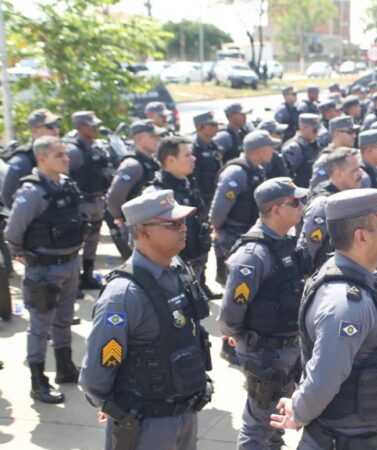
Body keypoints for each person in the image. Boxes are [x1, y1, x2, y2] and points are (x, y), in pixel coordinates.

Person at [270, 189, 377, 450]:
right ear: (361, 236)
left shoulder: (363, 278)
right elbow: (324, 377)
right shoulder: (346, 305)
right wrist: (298, 413)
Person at [79, 190, 213, 450]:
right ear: (143, 231)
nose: (183, 228)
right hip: (148, 424)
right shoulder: (124, 294)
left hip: (186, 414)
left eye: (183, 222)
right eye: (173, 224)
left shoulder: (178, 271)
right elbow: (95, 375)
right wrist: (111, 405)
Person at [219, 177, 309, 450]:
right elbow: (230, 313)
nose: (302, 206)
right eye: (295, 202)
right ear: (276, 210)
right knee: (258, 427)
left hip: (285, 349)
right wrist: (238, 337)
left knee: (274, 419)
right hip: (265, 353)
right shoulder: (253, 254)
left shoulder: (284, 242)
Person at [5, 136, 85, 404]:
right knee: (40, 326)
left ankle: (65, 367)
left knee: (63, 320)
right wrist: (20, 252)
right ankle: (38, 382)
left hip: (70, 264)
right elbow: (13, 231)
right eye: (59, 155)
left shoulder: (65, 183)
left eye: (65, 154)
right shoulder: (33, 191)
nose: (66, 159)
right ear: (42, 159)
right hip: (44, 270)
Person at [144, 136, 218, 299]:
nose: (194, 158)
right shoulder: (156, 194)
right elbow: (142, 239)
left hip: (194, 266)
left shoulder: (187, 184)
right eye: (187, 155)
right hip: (171, 271)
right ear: (171, 160)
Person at [209, 131, 272, 283]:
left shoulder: (256, 169)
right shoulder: (236, 172)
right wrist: (216, 227)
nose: (273, 151)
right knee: (237, 282)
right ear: (259, 151)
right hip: (234, 236)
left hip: (249, 233)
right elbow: (219, 209)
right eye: (270, 147)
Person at [66, 111, 115, 290]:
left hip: (97, 201)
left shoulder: (95, 147)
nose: (96, 128)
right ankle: (73, 282)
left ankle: (87, 276)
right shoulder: (73, 151)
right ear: (80, 127)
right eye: (91, 125)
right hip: (81, 203)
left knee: (93, 240)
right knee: (76, 242)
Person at [106, 120, 165, 259]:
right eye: (153, 136)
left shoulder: (152, 161)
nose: (158, 139)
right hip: (138, 228)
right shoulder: (132, 165)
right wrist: (121, 217)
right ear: (138, 138)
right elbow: (113, 199)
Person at [298, 148, 364, 271]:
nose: (360, 174)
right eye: (354, 170)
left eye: (359, 168)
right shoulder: (323, 204)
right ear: (339, 174)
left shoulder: (350, 196)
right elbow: (308, 251)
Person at [1, 109, 61, 208]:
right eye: (50, 126)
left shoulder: (61, 153)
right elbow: (8, 196)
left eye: (56, 124)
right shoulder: (23, 161)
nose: (56, 130)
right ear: (35, 131)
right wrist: (26, 210)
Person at [308, 116, 358, 190]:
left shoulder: (353, 154)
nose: (354, 135)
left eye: (355, 132)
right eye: (350, 132)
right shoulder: (325, 161)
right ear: (336, 133)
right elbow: (317, 189)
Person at [191, 112, 223, 208]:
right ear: (200, 127)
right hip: (200, 197)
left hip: (213, 193)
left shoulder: (213, 145)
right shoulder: (193, 147)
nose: (217, 128)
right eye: (213, 125)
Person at [282, 114, 322, 188]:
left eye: (318, 130)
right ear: (303, 128)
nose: (317, 133)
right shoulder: (293, 147)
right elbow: (286, 174)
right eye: (315, 130)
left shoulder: (313, 143)